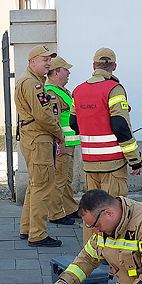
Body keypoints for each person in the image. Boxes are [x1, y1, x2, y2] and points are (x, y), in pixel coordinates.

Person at [69, 47, 141, 202]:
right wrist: (135, 161)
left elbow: (73, 123)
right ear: (114, 67)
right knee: (112, 211)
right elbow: (120, 127)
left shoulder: (78, 90)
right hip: (112, 164)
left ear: (94, 66)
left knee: (94, 210)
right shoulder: (114, 89)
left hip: (89, 163)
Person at [16, 44, 66, 247]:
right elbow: (42, 114)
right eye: (44, 59)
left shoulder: (33, 81)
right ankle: (38, 234)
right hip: (39, 138)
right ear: (32, 62)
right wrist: (58, 132)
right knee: (43, 186)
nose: (48, 63)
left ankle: (28, 228)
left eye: (49, 59)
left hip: (34, 137)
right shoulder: (32, 83)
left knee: (35, 184)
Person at [44, 54, 79, 227]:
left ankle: (70, 207)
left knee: (66, 179)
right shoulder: (51, 92)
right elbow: (53, 119)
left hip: (69, 142)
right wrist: (60, 143)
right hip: (62, 143)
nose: (69, 73)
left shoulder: (62, 91)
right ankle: (56, 213)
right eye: (66, 70)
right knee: (59, 179)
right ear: (56, 73)